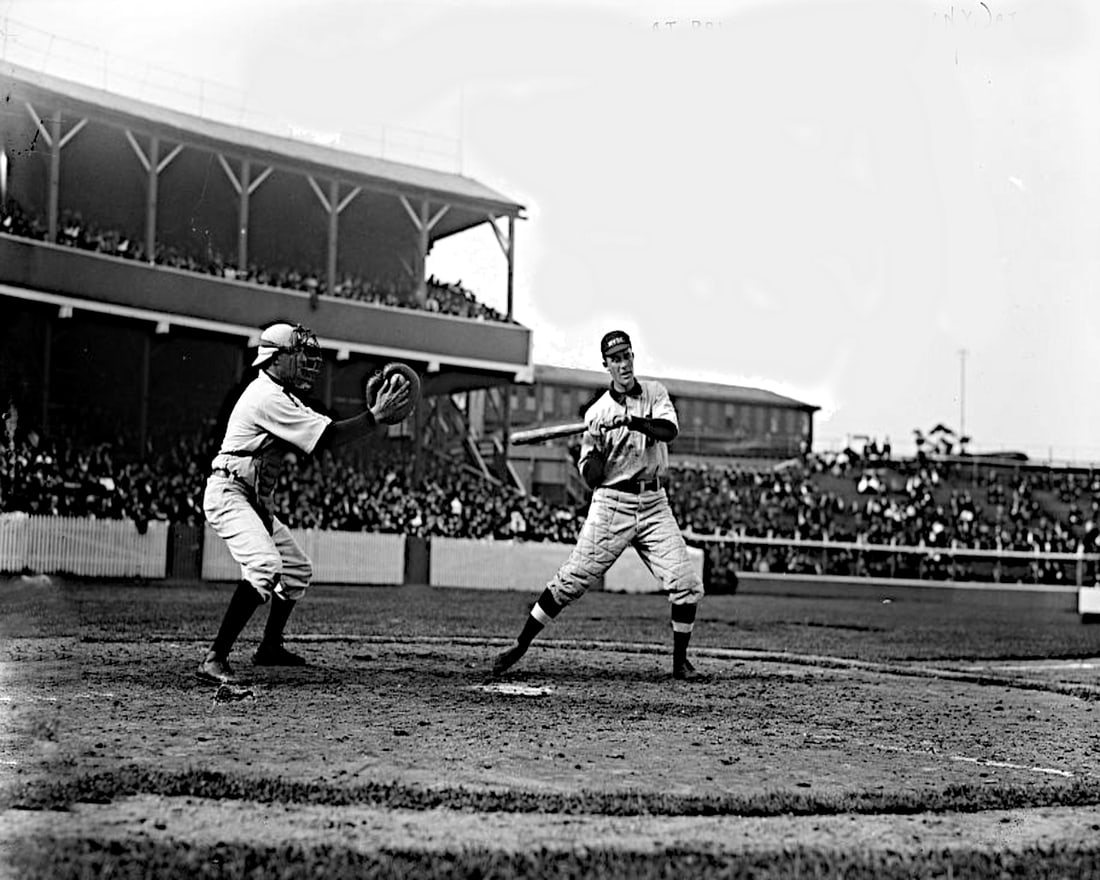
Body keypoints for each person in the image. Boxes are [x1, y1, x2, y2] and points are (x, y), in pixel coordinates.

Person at [196, 321, 411, 684]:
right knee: (264, 565)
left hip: (249, 495)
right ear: (275, 358)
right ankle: (214, 658)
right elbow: (327, 437)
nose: (308, 360)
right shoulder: (268, 396)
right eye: (299, 352)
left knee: (296, 570)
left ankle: (269, 648)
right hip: (229, 492)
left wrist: (371, 417)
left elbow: (313, 437)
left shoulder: (283, 395)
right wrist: (374, 417)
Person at [492, 329, 705, 681]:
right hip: (612, 503)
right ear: (606, 365)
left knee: (686, 583)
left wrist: (630, 421)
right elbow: (592, 477)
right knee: (571, 581)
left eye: (627, 356)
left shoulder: (655, 393)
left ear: (634, 357)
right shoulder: (597, 413)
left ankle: (680, 663)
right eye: (616, 359)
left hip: (653, 502)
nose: (623, 364)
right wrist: (596, 439)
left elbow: (669, 431)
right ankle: (520, 645)